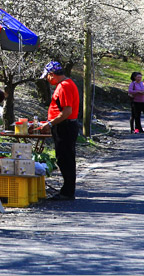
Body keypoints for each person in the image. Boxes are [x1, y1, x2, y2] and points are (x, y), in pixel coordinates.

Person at [39, 61, 79, 201]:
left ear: (52, 74)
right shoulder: (65, 84)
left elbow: (67, 111)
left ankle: (67, 192)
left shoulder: (64, 86)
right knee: (64, 158)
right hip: (64, 125)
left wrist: (50, 123)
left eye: (47, 77)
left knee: (65, 158)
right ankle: (67, 190)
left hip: (65, 126)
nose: (47, 80)